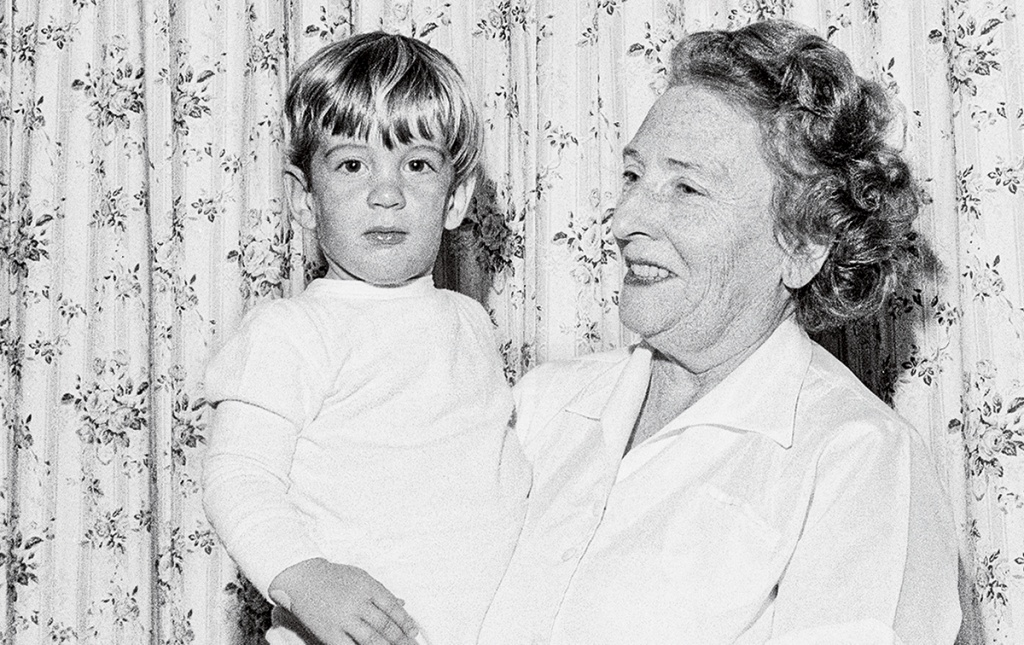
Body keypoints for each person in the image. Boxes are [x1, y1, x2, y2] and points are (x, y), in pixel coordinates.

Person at [477, 19, 961, 645]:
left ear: (803, 243)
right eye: (632, 176)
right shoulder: (542, 405)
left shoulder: (856, 458)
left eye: (686, 187)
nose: (626, 219)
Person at [202, 33, 529, 645]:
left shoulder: (472, 323)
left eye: (417, 164)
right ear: (305, 199)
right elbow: (237, 476)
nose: (387, 192)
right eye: (353, 165)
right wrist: (305, 577)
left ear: (455, 197)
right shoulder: (290, 332)